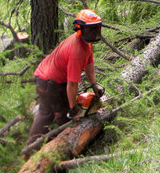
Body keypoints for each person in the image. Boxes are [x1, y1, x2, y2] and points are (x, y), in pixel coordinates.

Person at [26, 9, 104, 147]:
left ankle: (36, 145)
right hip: (49, 83)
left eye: (96, 28)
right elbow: (72, 84)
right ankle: (58, 147)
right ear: (79, 29)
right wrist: (73, 108)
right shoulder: (76, 51)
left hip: (50, 79)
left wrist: (94, 84)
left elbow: (89, 63)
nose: (95, 32)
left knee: (47, 111)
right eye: (91, 29)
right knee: (61, 115)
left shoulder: (86, 41)